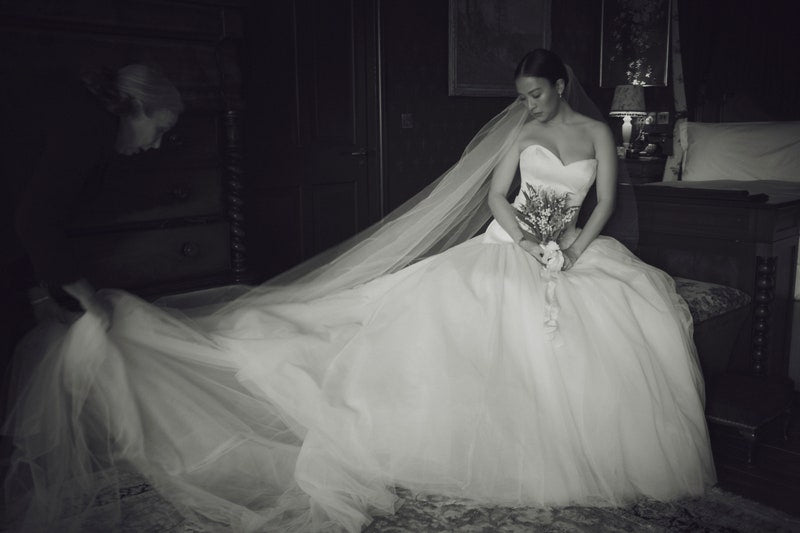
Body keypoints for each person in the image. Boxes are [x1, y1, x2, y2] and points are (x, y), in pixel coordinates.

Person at [1, 50, 714, 532]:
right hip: (515, 243)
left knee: (610, 336)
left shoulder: (597, 135)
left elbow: (601, 207)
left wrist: (568, 251)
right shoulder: (516, 134)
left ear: (560, 87)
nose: (525, 104)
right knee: (434, 324)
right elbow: (500, 198)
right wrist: (529, 243)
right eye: (519, 96)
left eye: (535, 93)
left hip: (573, 251)